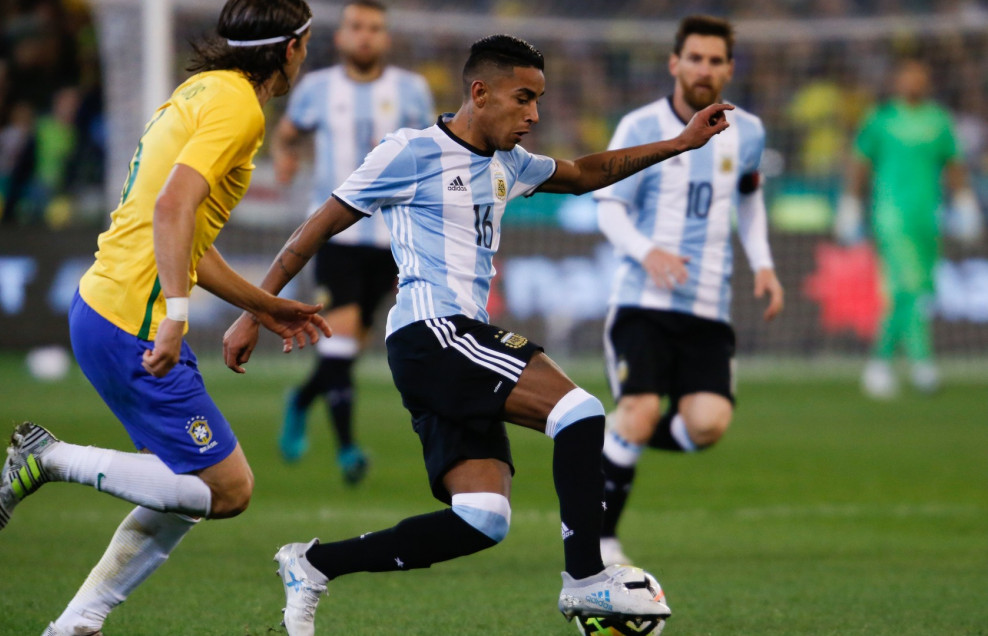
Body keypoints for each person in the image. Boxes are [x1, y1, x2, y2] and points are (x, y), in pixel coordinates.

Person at [223, 34, 732, 634]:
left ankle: (312, 564)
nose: (534, 115)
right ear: (480, 92)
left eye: (539, 101)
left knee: (482, 518)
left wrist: (679, 143)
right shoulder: (409, 152)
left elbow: (584, 173)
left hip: (454, 345)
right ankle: (586, 580)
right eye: (523, 99)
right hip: (432, 333)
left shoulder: (508, 164)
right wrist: (253, 311)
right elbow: (315, 228)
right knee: (581, 412)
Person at [0, 2, 327, 634]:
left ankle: (76, 625)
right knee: (228, 489)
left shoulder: (203, 88)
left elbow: (187, 229)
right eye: (305, 44)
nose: (306, 55)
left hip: (102, 305)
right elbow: (173, 208)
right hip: (131, 321)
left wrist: (261, 304)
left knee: (181, 485)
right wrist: (174, 316)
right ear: (290, 49)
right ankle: (51, 457)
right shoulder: (242, 109)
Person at [592, 15, 784, 568]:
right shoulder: (639, 126)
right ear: (675, 63)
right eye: (695, 57)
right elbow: (608, 206)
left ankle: (610, 438)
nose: (705, 68)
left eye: (716, 59)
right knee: (642, 407)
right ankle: (603, 541)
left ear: (728, 67)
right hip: (642, 302)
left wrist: (765, 265)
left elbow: (749, 197)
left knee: (708, 425)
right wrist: (645, 251)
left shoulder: (748, 130)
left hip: (707, 305)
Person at [271, 0, 435, 483]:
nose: (365, 35)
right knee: (340, 346)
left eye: (375, 28)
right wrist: (284, 156)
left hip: (393, 240)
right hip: (334, 235)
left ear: (385, 38)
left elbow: (430, 151)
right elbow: (287, 133)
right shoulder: (317, 89)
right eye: (356, 27)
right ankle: (348, 451)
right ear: (341, 36)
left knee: (348, 349)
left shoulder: (411, 90)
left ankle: (300, 399)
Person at [835, 58, 983, 398]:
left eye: (919, 76)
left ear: (927, 81)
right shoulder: (881, 120)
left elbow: (954, 164)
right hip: (891, 215)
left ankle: (888, 364)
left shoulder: (938, 120)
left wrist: (964, 202)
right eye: (907, 76)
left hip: (927, 216)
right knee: (908, 286)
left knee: (915, 291)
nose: (913, 82)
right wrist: (850, 203)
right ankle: (913, 363)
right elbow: (860, 163)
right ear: (896, 81)